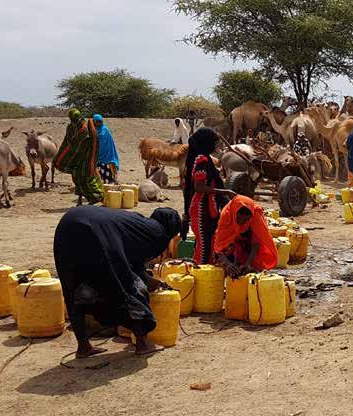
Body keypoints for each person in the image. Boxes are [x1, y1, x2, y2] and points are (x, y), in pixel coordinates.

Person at [54, 206, 182, 358]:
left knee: (73, 288)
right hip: (95, 232)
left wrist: (152, 281)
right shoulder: (160, 233)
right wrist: (151, 283)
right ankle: (142, 344)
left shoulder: (140, 223)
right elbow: (135, 270)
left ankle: (83, 347)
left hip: (68, 224)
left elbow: (132, 259)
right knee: (128, 288)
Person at [184, 128, 234, 264]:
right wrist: (225, 192)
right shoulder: (202, 160)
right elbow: (198, 187)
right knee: (204, 243)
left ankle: (208, 274)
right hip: (201, 208)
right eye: (214, 143)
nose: (216, 146)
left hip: (209, 206)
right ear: (206, 143)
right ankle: (201, 272)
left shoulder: (204, 158)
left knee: (210, 240)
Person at [213, 196, 278, 278]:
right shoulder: (226, 216)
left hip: (247, 238)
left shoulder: (256, 216)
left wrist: (248, 263)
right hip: (232, 244)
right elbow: (218, 245)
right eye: (239, 219)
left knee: (253, 266)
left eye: (246, 220)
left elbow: (256, 242)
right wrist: (228, 264)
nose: (242, 222)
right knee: (225, 263)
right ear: (235, 215)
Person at [53, 109, 104, 206]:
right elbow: (67, 142)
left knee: (87, 178)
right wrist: (61, 156)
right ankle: (80, 200)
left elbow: (89, 143)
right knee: (76, 178)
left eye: (77, 118)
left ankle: (97, 197)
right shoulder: (70, 128)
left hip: (86, 158)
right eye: (74, 119)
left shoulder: (86, 128)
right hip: (75, 158)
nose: (76, 120)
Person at [92, 114, 120, 184]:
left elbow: (109, 144)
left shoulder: (105, 130)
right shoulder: (91, 130)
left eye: (100, 121)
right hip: (95, 156)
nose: (99, 123)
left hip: (107, 156)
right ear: (94, 121)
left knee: (107, 174)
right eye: (97, 121)